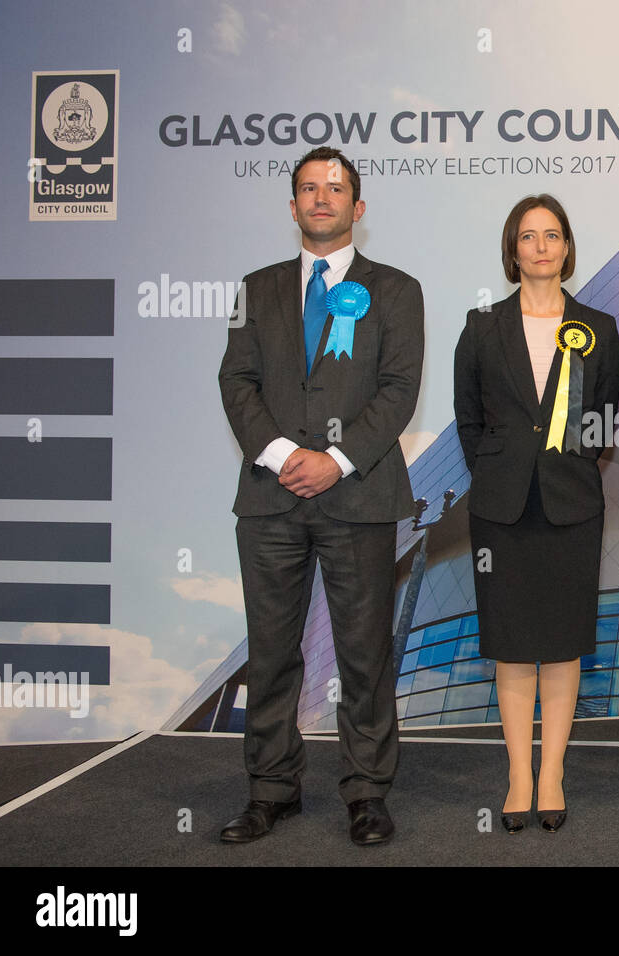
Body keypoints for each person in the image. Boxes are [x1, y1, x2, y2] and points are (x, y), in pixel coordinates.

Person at [218, 146, 424, 846]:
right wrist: (283, 456)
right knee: (272, 652)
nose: (321, 198)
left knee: (364, 654)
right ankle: (272, 790)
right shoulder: (256, 287)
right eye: (309, 188)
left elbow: (398, 390)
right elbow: (236, 383)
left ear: (358, 207)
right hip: (271, 501)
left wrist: (334, 460)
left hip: (357, 497)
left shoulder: (396, 290)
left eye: (335, 188)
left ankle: (366, 793)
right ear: (293, 204)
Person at [453, 195, 619, 833]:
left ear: (568, 247)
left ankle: (551, 771)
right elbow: (469, 419)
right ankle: (517, 775)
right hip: (501, 507)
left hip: (571, 504)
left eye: (553, 235)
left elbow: (603, 417)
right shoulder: (480, 326)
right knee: (512, 646)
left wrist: (565, 467)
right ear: (513, 250)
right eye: (529, 236)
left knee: (562, 642)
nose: (542, 246)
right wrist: (500, 470)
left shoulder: (599, 327)